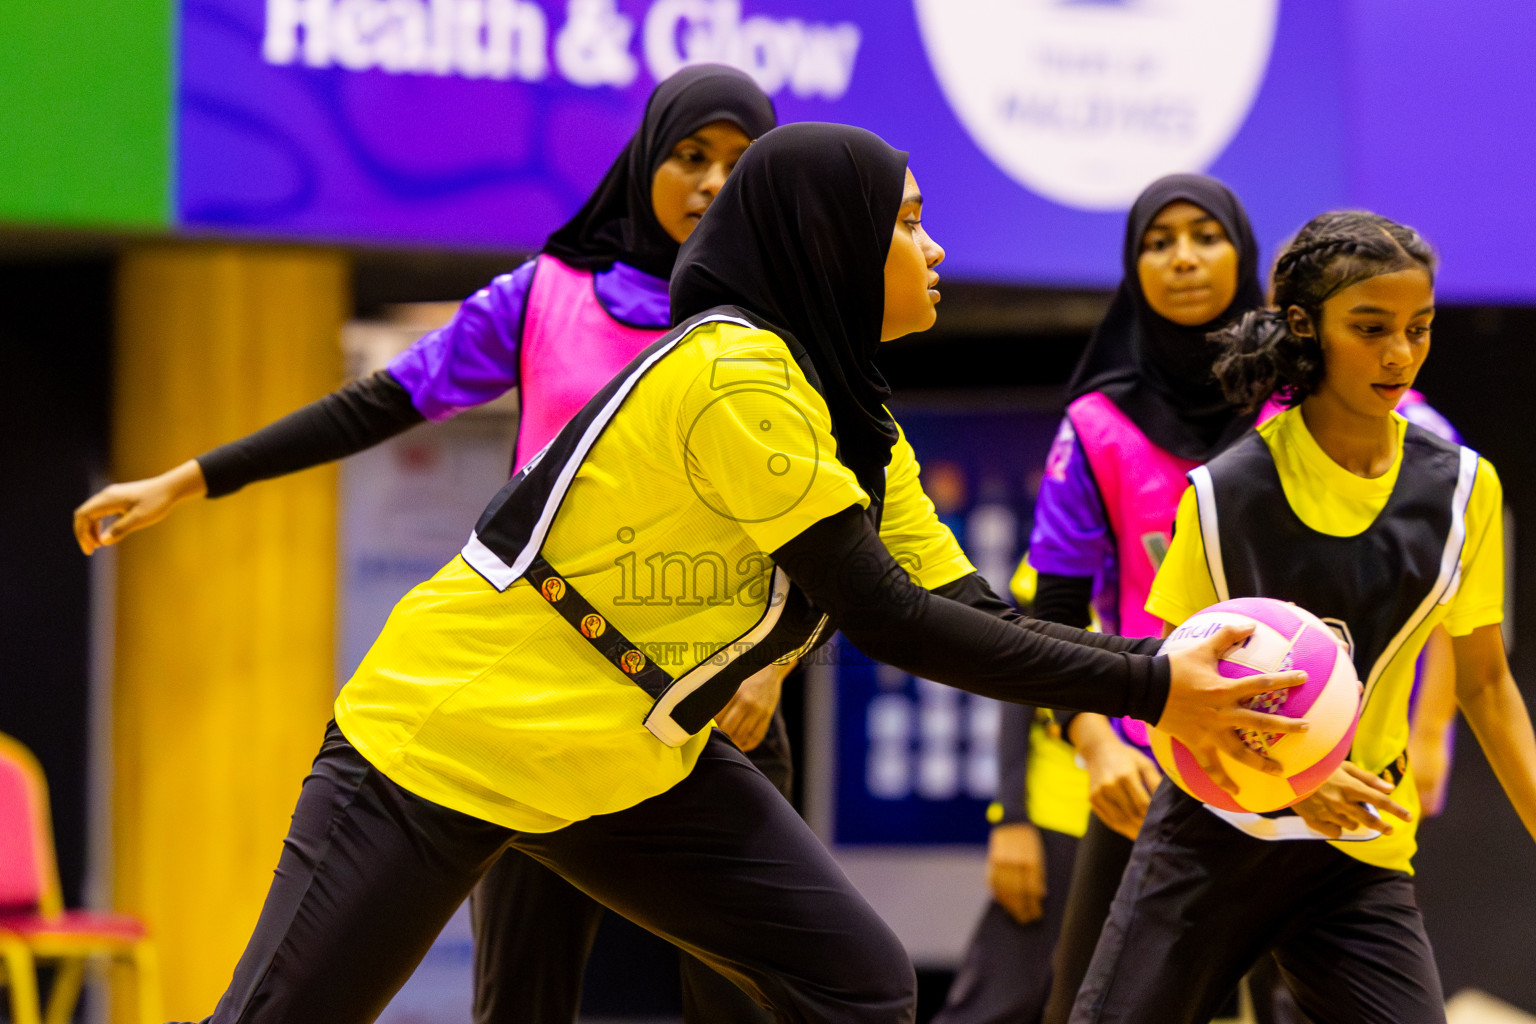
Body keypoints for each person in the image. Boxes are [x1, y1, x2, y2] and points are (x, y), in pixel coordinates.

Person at [165, 122, 1308, 1024]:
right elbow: (889, 617)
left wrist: (1156, 668)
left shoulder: (857, 420)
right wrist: (1157, 686)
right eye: (911, 224)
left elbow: (964, 605)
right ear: (835, 244)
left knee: (859, 979)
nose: (939, 249)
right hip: (445, 733)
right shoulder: (736, 376)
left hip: (619, 756)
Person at [73, 65, 785, 1024]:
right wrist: (188, 478)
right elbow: (377, 402)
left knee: (749, 997)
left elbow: (817, 522)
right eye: (690, 156)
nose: (711, 183)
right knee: (521, 996)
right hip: (545, 701)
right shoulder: (548, 297)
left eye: (740, 165)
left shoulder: (778, 329)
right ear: (643, 163)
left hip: (716, 696)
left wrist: (771, 668)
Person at [1070, 211, 1536, 1024]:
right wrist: (1294, 779)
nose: (1400, 353)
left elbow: (1488, 683)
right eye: (1370, 328)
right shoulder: (1226, 494)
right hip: (1209, 841)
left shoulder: (1466, 490)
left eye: (1419, 328)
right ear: (1303, 325)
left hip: (1356, 857)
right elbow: (1169, 708)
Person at [934, 174, 1266, 1024]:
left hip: (1295, 765)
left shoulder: (1301, 408)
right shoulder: (1095, 427)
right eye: (1159, 242)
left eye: (1205, 236)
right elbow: (1046, 623)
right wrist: (1094, 744)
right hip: (1141, 775)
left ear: (1243, 252)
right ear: (1131, 266)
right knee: (1089, 1008)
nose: (1184, 259)